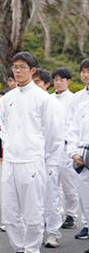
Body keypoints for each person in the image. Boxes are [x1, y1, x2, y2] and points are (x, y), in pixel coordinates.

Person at [0, 52, 60, 253]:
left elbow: (52, 133)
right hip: (10, 161)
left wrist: (39, 153)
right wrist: (10, 145)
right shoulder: (7, 99)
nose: (17, 71)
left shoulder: (43, 99)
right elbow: (2, 127)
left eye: (22, 67)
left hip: (32, 161)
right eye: (15, 67)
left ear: (33, 71)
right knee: (10, 211)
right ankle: (19, 248)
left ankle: (31, 252)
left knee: (33, 210)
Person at [31, 68, 66, 249]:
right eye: (33, 82)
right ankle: (34, 231)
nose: (35, 86)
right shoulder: (28, 102)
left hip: (49, 157)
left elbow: (54, 135)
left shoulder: (52, 104)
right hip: (31, 158)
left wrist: (42, 154)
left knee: (50, 195)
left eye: (38, 82)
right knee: (33, 197)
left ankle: (53, 233)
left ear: (46, 84)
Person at [51, 67, 79, 230]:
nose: (58, 82)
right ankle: (55, 213)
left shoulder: (74, 99)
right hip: (52, 146)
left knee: (69, 183)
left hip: (67, 146)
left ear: (68, 81)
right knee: (52, 183)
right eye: (56, 79)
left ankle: (71, 214)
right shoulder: (48, 99)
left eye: (61, 79)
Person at [69, 59, 89, 247]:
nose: (85, 75)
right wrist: (73, 152)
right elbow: (71, 127)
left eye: (88, 71)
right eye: (83, 71)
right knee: (84, 193)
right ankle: (87, 225)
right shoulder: (78, 99)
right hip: (83, 154)